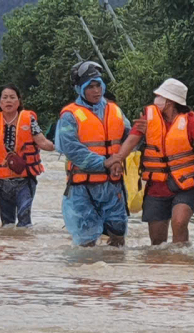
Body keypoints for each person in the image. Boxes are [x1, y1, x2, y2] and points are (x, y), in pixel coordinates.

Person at [106, 78, 194, 245]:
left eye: (160, 96)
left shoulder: (190, 121)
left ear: (170, 101)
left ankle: (182, 257)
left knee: (179, 222)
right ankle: (165, 262)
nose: (156, 99)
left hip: (185, 186)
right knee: (157, 242)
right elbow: (132, 140)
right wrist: (118, 159)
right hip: (156, 187)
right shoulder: (148, 119)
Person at [54, 61, 131, 247]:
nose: (96, 91)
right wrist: (104, 162)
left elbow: (129, 138)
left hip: (113, 187)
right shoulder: (69, 116)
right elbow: (73, 149)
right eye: (90, 87)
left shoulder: (115, 110)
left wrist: (118, 159)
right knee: (86, 242)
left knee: (118, 236)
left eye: (98, 85)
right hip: (83, 189)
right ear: (80, 89)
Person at [0, 84, 55, 227]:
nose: (8, 100)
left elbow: (43, 143)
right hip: (1, 180)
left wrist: (60, 146)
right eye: (4, 98)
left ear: (19, 101)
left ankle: (24, 242)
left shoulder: (28, 119)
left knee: (24, 221)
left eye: (12, 97)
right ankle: (8, 242)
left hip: (25, 179)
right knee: (7, 223)